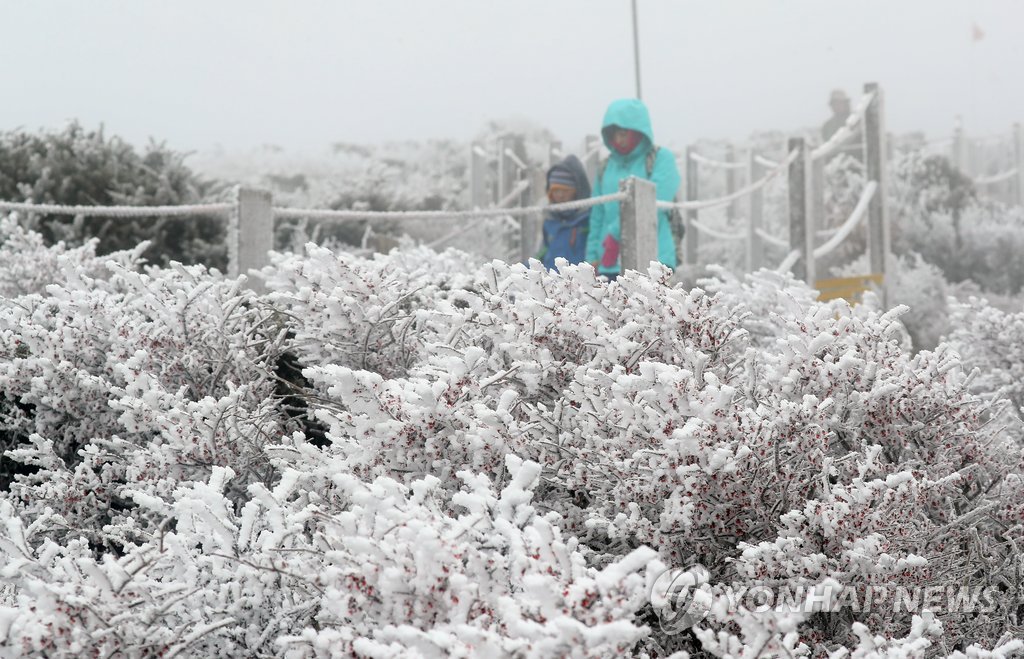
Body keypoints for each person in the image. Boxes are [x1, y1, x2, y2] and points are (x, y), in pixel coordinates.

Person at [585, 98, 680, 278]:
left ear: (638, 132)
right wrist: (592, 257)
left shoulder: (660, 159)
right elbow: (597, 214)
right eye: (614, 134)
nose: (618, 140)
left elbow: (651, 202)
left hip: (654, 259)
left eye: (623, 133)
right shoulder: (605, 167)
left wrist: (614, 235)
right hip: (608, 263)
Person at [535, 155, 591, 271]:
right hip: (552, 284)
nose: (560, 195)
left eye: (565, 190)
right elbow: (541, 255)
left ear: (577, 191)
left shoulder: (589, 219)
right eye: (556, 190)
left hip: (581, 284)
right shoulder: (550, 221)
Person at [821, 89, 863, 160]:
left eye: (839, 103)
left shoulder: (856, 121)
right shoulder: (827, 126)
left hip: (855, 161)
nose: (837, 106)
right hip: (833, 162)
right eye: (834, 104)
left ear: (846, 104)